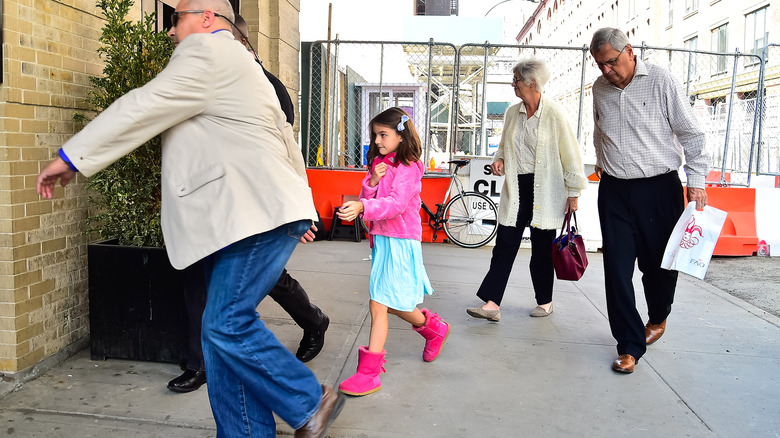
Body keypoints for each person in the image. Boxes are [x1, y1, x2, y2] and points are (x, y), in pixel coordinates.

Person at [36, 2, 345, 436]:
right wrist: (302, 205)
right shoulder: (242, 63)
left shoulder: (207, 51)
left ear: (206, 19)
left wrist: (72, 156)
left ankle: (309, 400)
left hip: (251, 215)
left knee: (224, 323)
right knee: (220, 342)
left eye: (174, 18)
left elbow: (144, 104)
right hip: (250, 214)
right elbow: (284, 139)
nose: (168, 30)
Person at [165, 13, 330, 394]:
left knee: (262, 287)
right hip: (204, 207)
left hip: (249, 209)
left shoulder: (265, 87)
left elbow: (283, 153)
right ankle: (200, 362)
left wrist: (297, 212)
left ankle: (312, 325)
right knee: (198, 284)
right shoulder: (192, 76)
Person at [590, 28, 709, 374]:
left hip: (659, 189)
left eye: (611, 62)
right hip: (614, 190)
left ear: (629, 50)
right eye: (600, 65)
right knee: (617, 269)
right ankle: (629, 345)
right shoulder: (600, 88)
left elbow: (691, 134)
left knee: (658, 267)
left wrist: (697, 182)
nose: (606, 71)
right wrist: (602, 159)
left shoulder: (661, 81)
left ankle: (658, 315)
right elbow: (599, 129)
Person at [335, 107, 451, 396]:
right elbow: (369, 201)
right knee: (391, 302)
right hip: (383, 241)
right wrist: (372, 182)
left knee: (380, 303)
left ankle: (369, 373)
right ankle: (433, 328)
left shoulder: (410, 167)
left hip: (400, 241)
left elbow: (397, 205)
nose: (377, 140)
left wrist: (364, 206)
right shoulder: (380, 164)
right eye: (375, 135)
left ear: (402, 135)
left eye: (383, 134)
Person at [466, 58, 588, 322]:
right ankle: (491, 303)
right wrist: (499, 159)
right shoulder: (513, 113)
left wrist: (574, 192)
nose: (514, 85)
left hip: (545, 189)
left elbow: (570, 154)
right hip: (518, 188)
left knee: (542, 249)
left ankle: (545, 301)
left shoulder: (554, 114)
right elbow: (504, 145)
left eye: (517, 80)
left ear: (532, 83)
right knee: (505, 244)